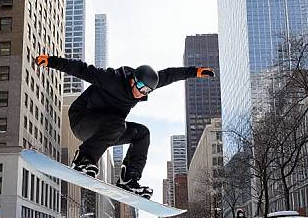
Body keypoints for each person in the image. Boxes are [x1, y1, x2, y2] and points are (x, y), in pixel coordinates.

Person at [34, 55, 215, 197]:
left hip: (107, 129)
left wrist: (195, 71)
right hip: (82, 120)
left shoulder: (143, 87)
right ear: (133, 80)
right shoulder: (112, 78)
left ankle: (129, 179)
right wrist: (51, 61)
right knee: (118, 124)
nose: (142, 94)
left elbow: (169, 75)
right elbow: (81, 69)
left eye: (147, 92)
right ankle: (83, 160)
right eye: (141, 89)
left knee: (142, 133)